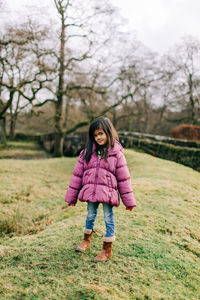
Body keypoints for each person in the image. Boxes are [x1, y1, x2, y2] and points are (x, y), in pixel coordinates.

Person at [65, 116, 136, 262]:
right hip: (91, 192)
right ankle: (86, 240)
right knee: (90, 215)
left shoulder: (116, 154)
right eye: (95, 135)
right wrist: (71, 197)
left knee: (108, 217)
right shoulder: (86, 153)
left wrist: (129, 201)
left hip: (108, 193)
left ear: (109, 133)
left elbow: (124, 178)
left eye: (101, 133)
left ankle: (107, 249)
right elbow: (77, 176)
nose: (98, 137)